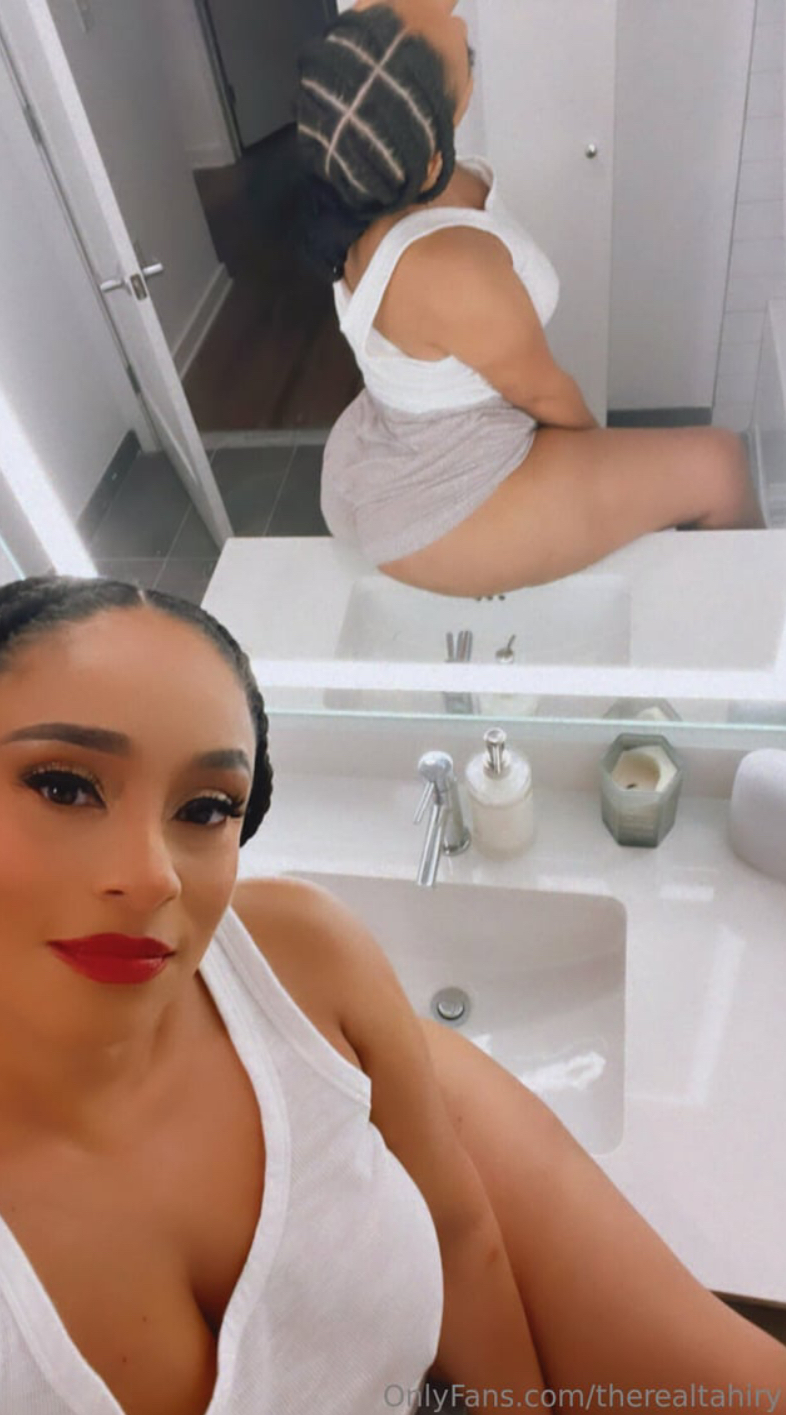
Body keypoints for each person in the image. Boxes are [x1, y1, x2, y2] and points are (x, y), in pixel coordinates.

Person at [0, 573, 783, 1415]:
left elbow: (462, 1234)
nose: (153, 875)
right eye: (63, 786)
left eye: (205, 807)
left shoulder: (301, 964)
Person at [295, 0, 765, 599]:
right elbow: (544, 394)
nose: (453, 14)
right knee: (721, 466)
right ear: (434, 159)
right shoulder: (447, 269)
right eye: (458, 52)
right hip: (447, 501)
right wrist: (602, 466)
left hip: (409, 440)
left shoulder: (362, 168)